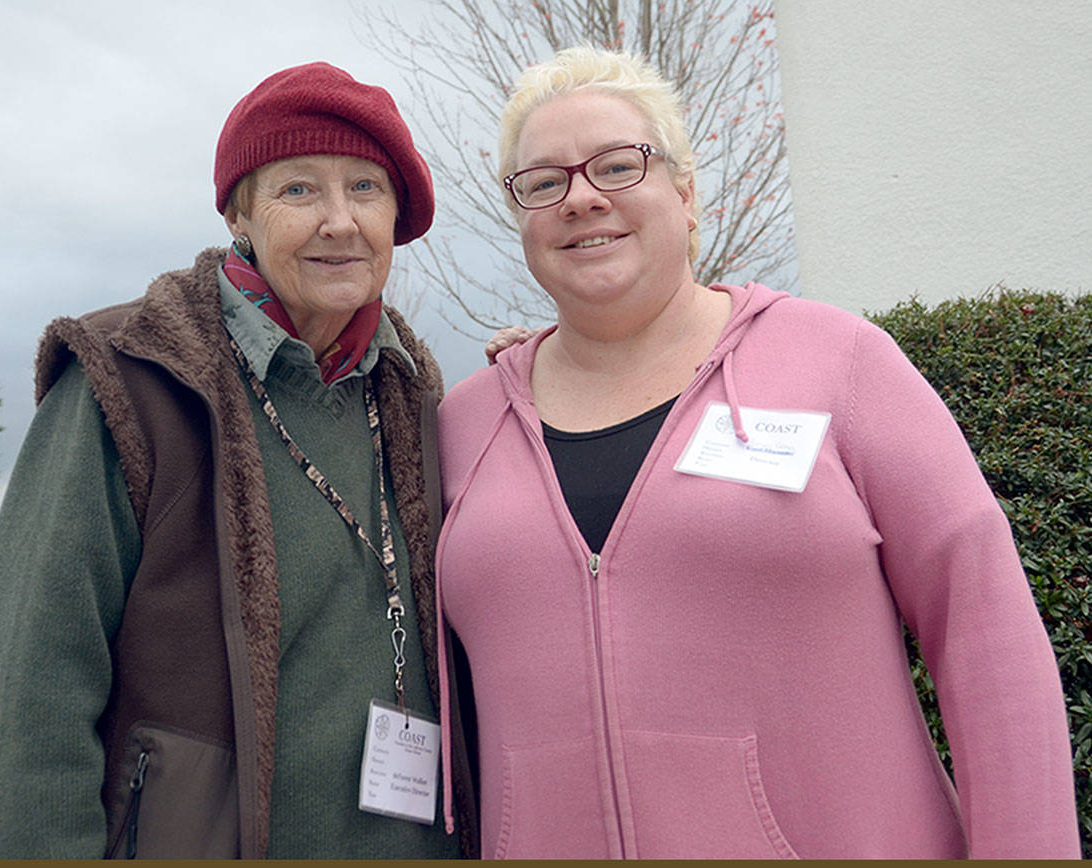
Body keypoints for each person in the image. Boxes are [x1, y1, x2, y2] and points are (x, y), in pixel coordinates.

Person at [433, 46, 1079, 859]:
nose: (581, 198)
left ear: (686, 191)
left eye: (618, 166)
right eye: (544, 182)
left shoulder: (839, 362)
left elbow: (988, 636)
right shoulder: (464, 424)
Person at [0, 61, 477, 859]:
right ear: (239, 214)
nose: (340, 220)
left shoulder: (413, 394)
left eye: (366, 189)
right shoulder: (131, 379)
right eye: (298, 190)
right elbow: (27, 700)